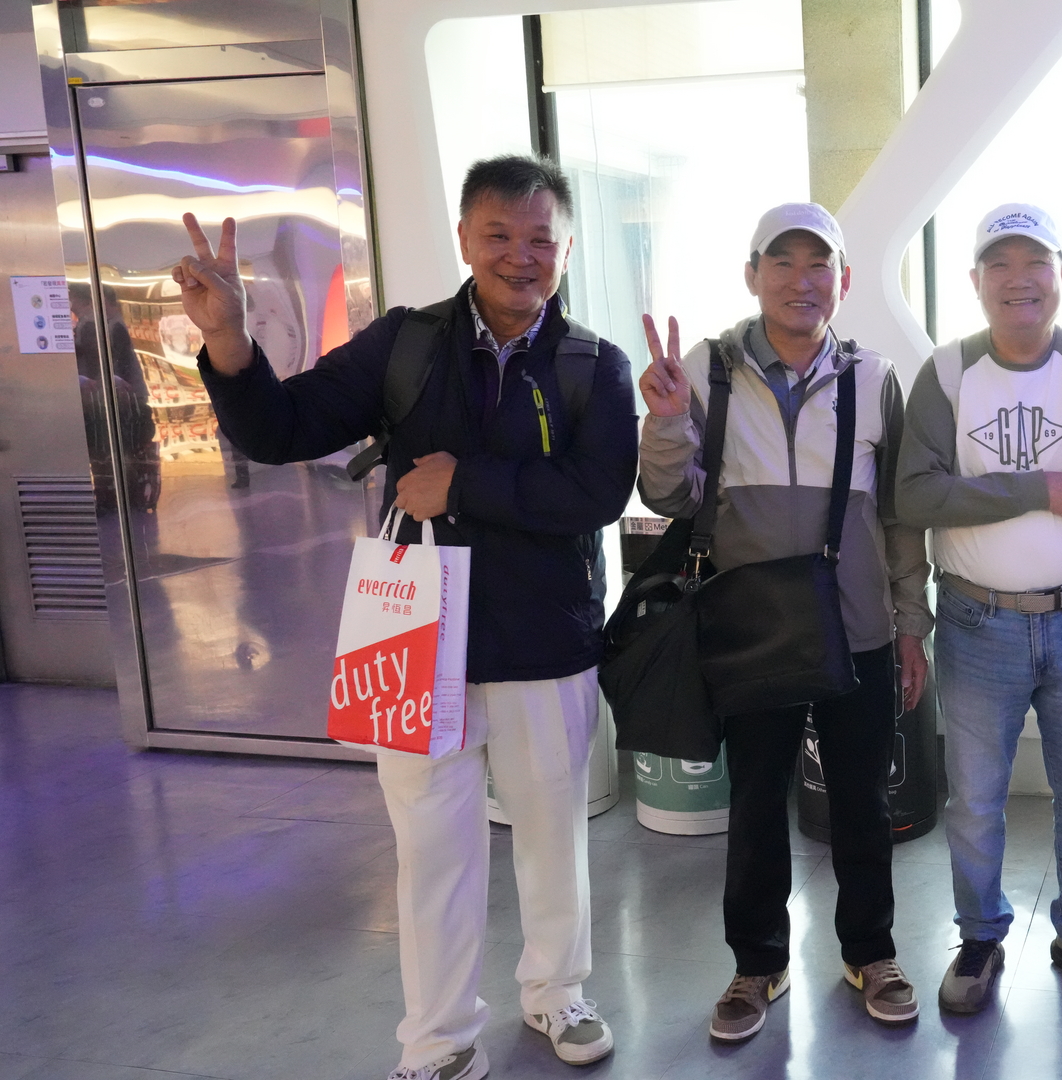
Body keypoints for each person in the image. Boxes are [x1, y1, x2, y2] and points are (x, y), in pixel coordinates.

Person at [174, 155, 638, 1080]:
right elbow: (281, 428)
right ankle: (440, 1040)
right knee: (430, 849)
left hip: (546, 639)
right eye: (499, 235)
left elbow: (598, 493)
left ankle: (556, 991)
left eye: (540, 239)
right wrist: (229, 339)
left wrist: (463, 483)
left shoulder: (593, 363)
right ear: (464, 239)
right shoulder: (407, 344)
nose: (520, 256)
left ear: (566, 249)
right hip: (415, 634)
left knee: (553, 834)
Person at [635, 202, 933, 1041]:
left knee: (863, 801)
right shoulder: (707, 370)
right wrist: (665, 421)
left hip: (858, 625)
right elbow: (668, 496)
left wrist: (911, 624)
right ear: (752, 274)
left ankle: (871, 952)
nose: (802, 280)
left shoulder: (874, 378)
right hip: (752, 625)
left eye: (819, 264)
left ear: (844, 279)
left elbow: (899, 517)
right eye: (783, 262)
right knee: (758, 799)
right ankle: (757, 963)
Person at [894, 203, 1062, 1012]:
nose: (1019, 280)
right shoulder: (946, 373)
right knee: (975, 801)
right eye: (1000, 265)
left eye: (1035, 263)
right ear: (976, 282)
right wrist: (1037, 488)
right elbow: (913, 495)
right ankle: (980, 938)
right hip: (978, 624)